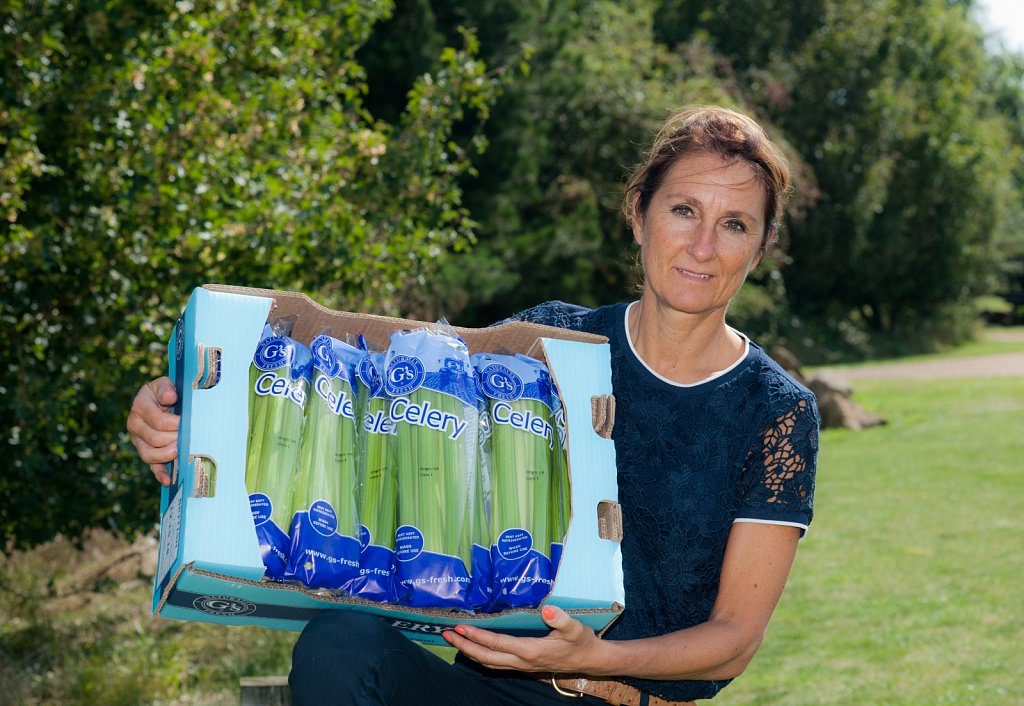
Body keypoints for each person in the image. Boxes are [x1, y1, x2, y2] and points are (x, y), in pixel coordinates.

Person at [128, 105, 819, 705]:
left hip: (624, 696)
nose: (703, 245)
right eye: (684, 210)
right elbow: (376, 420)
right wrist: (185, 417)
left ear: (760, 247)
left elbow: (732, 641)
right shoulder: (547, 345)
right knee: (340, 646)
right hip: (479, 688)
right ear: (639, 215)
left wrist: (590, 659)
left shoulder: (775, 411)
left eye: (734, 224)